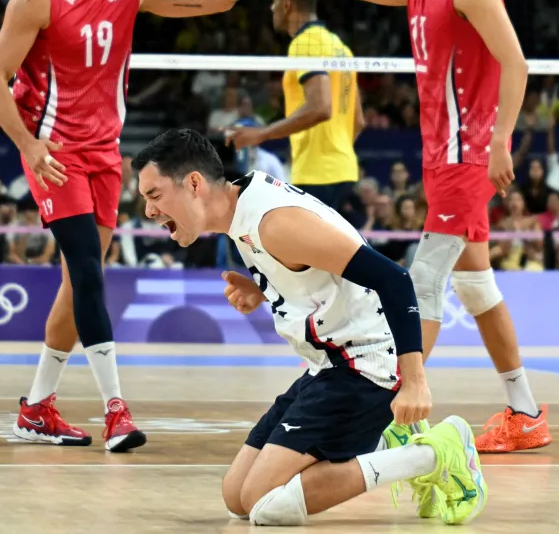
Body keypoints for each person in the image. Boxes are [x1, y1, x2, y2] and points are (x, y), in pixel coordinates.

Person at [0, 0, 268, 451]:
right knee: (88, 272)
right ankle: (117, 411)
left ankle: (37, 407)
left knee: (78, 280)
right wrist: (30, 145)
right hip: (55, 154)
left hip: (105, 154)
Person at [272, 0, 549, 454]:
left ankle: (386, 413)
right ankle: (525, 412)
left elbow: (517, 63)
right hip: (439, 156)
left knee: (423, 281)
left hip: (466, 154)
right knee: (476, 286)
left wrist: (501, 140)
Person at [133, 128, 486, 526]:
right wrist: (264, 290)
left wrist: (414, 380)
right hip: (328, 365)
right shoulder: (241, 208)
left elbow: (395, 279)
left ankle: (435, 453)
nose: (148, 211)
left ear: (194, 183)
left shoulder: (274, 223)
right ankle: (391, 436)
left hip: (364, 366)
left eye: (155, 195)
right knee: (237, 497)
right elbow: (313, 270)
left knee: (264, 503)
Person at [226, 0, 363, 212]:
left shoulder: (304, 42)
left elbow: (320, 107)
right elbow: (358, 121)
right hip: (343, 171)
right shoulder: (341, 47)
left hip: (317, 174)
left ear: (286, 5)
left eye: (274, 1)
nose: (271, 8)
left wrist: (262, 134)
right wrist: (335, 157)